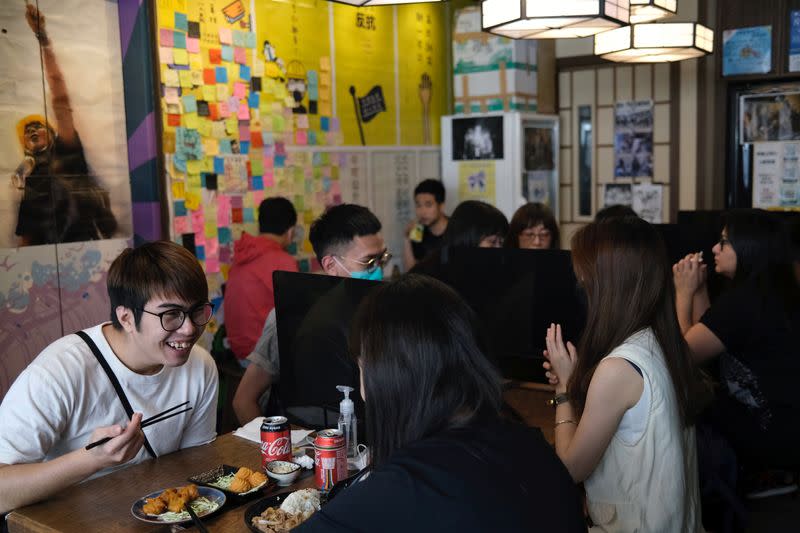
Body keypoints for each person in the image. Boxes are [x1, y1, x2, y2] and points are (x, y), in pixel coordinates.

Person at [296, 275, 586, 532]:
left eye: (362, 368)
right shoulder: (532, 445)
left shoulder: (396, 492)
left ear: (387, 380)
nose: (363, 390)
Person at [0, 241, 218, 513]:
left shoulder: (200, 367)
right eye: (171, 314)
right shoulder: (59, 372)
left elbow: (194, 467)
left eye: (197, 311)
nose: (189, 329)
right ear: (126, 318)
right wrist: (91, 459)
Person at [543, 218, 704, 532]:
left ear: (605, 283)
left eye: (585, 279)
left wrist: (563, 388)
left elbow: (570, 469)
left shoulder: (617, 369)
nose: (581, 286)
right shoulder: (663, 343)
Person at [232, 204, 389, 426]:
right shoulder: (291, 317)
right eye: (369, 262)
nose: (380, 269)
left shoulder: (383, 307)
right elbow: (243, 401)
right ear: (331, 265)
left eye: (383, 258)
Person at [673, 209, 800, 468]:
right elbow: (710, 331)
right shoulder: (768, 291)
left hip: (767, 433)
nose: (715, 248)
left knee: (683, 404)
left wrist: (683, 292)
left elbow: (682, 354)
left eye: (723, 242)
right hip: (786, 426)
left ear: (748, 247)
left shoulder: (744, 302)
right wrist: (699, 289)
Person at [13, 4, 117, 246]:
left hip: (87, 249)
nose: (32, 131)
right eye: (27, 132)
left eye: (37, 126)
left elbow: (60, 95)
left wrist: (43, 39)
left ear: (52, 133)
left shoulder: (67, 148)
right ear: (26, 146)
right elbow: (25, 240)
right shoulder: (32, 181)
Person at [224, 197, 298, 363]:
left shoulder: (241, 254)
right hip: (263, 357)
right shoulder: (283, 261)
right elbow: (296, 314)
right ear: (291, 231)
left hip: (238, 351)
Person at [411, 200, 507, 280]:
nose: (499, 249)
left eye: (501, 243)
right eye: (492, 242)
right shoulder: (432, 276)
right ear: (467, 239)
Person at [402, 179, 448, 270]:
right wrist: (407, 239)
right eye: (418, 205)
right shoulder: (418, 230)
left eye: (428, 205)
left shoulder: (456, 229)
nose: (422, 212)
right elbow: (411, 271)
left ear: (441, 206)